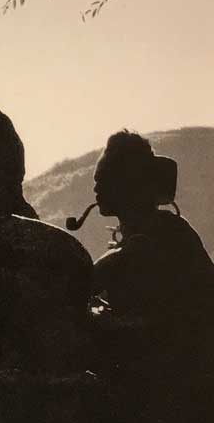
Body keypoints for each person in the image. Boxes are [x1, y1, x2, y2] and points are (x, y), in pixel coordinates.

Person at [92, 130, 214, 323]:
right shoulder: (172, 230)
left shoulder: (164, 238)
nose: (96, 189)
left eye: (104, 180)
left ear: (130, 185)